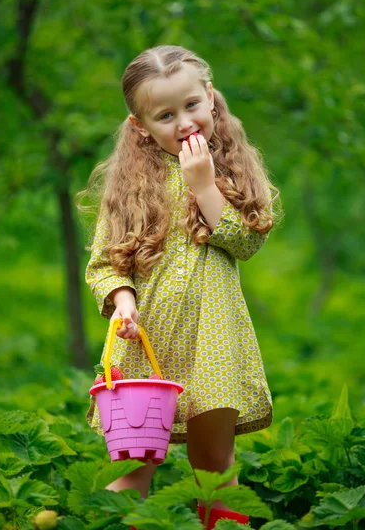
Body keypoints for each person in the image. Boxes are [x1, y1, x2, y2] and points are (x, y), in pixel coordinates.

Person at [79, 45, 280, 528]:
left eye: (191, 105)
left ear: (210, 98)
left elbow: (246, 243)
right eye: (165, 115)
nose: (185, 122)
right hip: (145, 347)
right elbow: (106, 265)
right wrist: (124, 304)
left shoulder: (230, 167)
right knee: (132, 468)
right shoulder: (131, 184)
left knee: (215, 470)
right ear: (140, 126)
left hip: (213, 344)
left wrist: (205, 185)